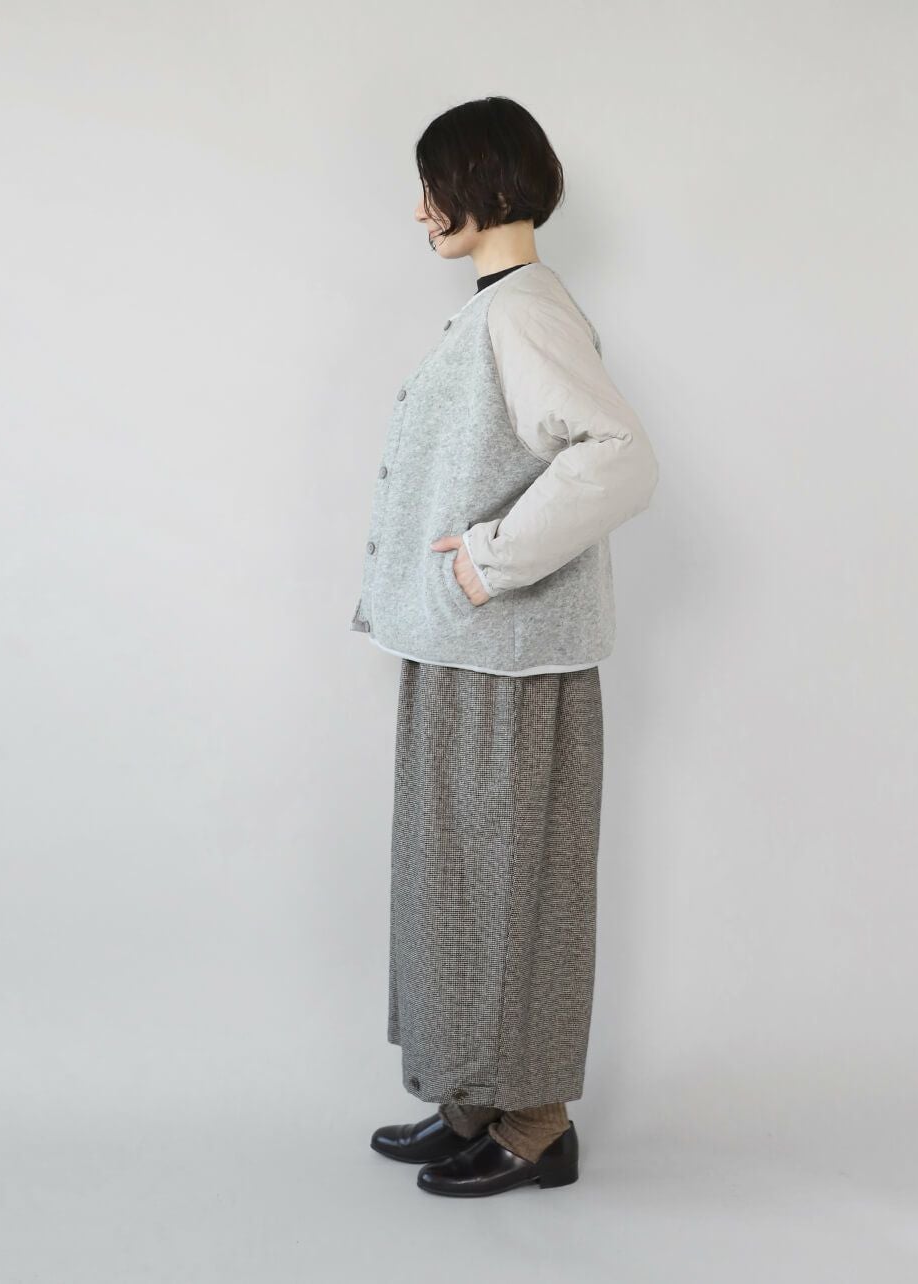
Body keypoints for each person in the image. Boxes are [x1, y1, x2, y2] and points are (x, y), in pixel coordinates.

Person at [351, 96, 660, 1197]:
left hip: (512, 658)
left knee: (511, 890)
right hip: (470, 650)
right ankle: (473, 1101)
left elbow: (618, 456)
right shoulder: (502, 306)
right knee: (457, 886)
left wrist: (490, 559)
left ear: (480, 186)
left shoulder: (524, 311)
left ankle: (534, 1126)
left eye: (432, 185)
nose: (420, 210)